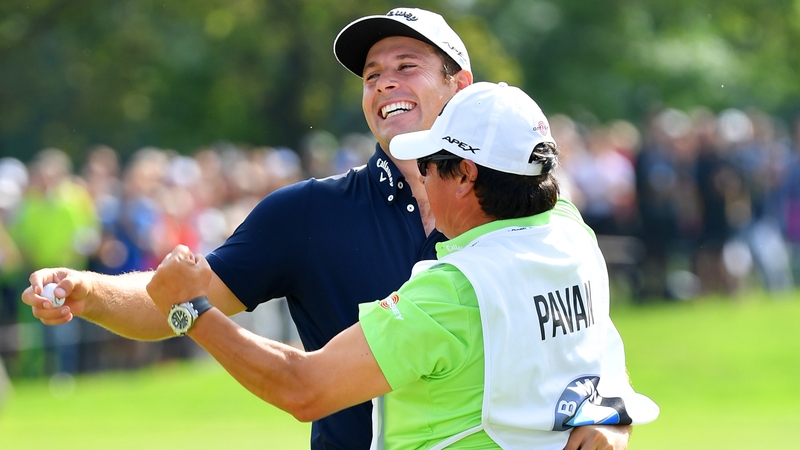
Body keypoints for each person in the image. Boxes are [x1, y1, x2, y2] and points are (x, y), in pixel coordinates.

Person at [22, 8, 631, 449]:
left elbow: (584, 339)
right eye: (371, 75)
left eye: (407, 65)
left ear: (460, 87)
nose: (384, 82)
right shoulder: (307, 214)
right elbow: (174, 297)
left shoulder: (538, 211)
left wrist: (608, 415)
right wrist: (88, 290)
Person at [144, 81, 658, 448]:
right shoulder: (569, 233)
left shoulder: (451, 295)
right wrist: (613, 418)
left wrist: (191, 310)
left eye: (429, 164)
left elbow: (303, 388)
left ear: (466, 176)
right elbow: (594, 355)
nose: (421, 177)